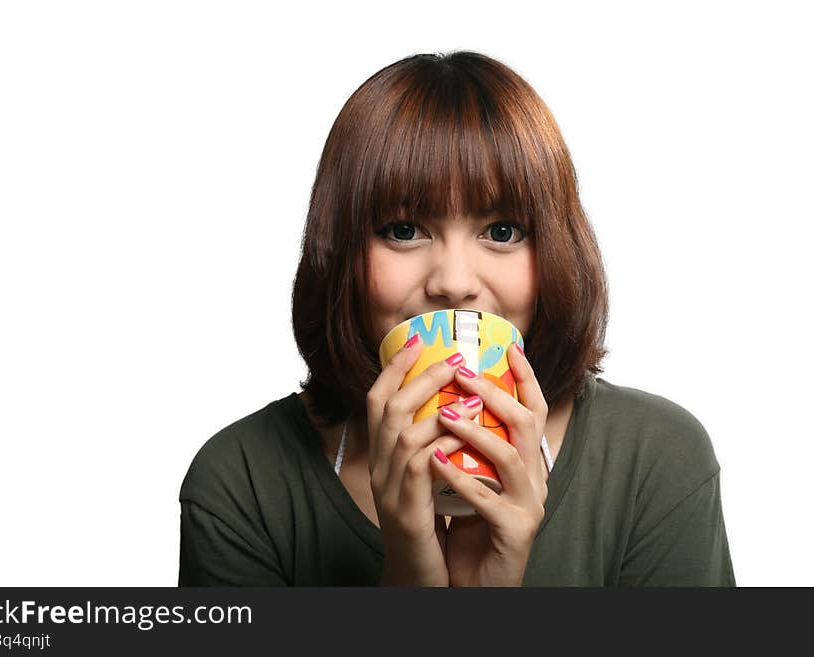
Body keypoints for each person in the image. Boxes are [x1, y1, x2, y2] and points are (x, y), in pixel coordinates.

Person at [178, 50, 736, 586]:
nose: (453, 280)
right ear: (341, 249)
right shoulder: (243, 480)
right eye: (402, 229)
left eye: (501, 232)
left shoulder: (654, 458)